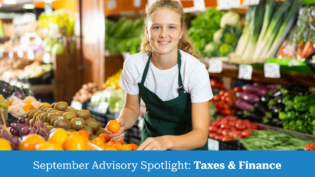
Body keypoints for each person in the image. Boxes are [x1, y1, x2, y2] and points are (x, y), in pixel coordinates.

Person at [105, 0, 213, 150]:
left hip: (189, 149)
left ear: (181, 31)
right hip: (152, 147)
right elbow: (131, 109)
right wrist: (121, 122)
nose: (163, 34)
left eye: (171, 27)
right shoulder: (134, 65)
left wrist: (166, 142)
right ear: (147, 31)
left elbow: (200, 134)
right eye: (157, 27)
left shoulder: (194, 70)